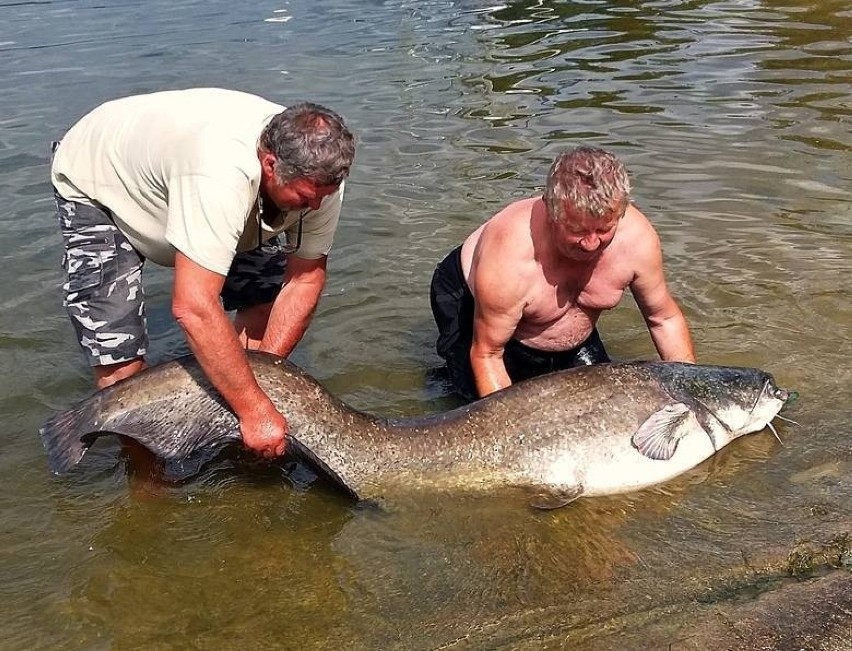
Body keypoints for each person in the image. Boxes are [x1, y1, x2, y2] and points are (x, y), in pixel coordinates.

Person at [51, 88, 355, 459]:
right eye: (306, 198)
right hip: (100, 182)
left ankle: (234, 438)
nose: (317, 207)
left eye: (324, 196)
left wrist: (260, 390)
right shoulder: (219, 173)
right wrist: (254, 410)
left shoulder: (321, 179)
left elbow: (304, 278)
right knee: (120, 356)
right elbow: (193, 306)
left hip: (211, 181)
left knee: (262, 302)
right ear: (271, 165)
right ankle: (147, 482)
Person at [430, 146, 695, 402]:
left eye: (604, 230)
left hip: (553, 323)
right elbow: (488, 353)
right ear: (550, 212)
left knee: (605, 405)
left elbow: (663, 319)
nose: (591, 243)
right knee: (470, 409)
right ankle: (443, 380)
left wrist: (691, 392)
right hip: (465, 298)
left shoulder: (637, 241)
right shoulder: (511, 258)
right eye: (578, 231)